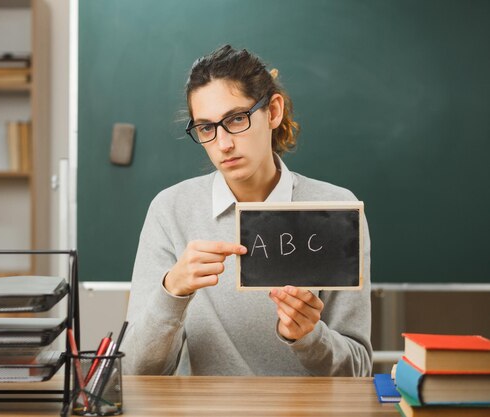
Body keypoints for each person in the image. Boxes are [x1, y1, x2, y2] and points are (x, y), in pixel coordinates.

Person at [121, 45, 372, 376]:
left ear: (273, 112)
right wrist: (173, 290)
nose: (223, 144)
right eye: (207, 128)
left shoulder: (335, 210)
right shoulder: (171, 211)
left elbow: (358, 369)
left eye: (237, 119)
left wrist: (310, 337)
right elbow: (136, 371)